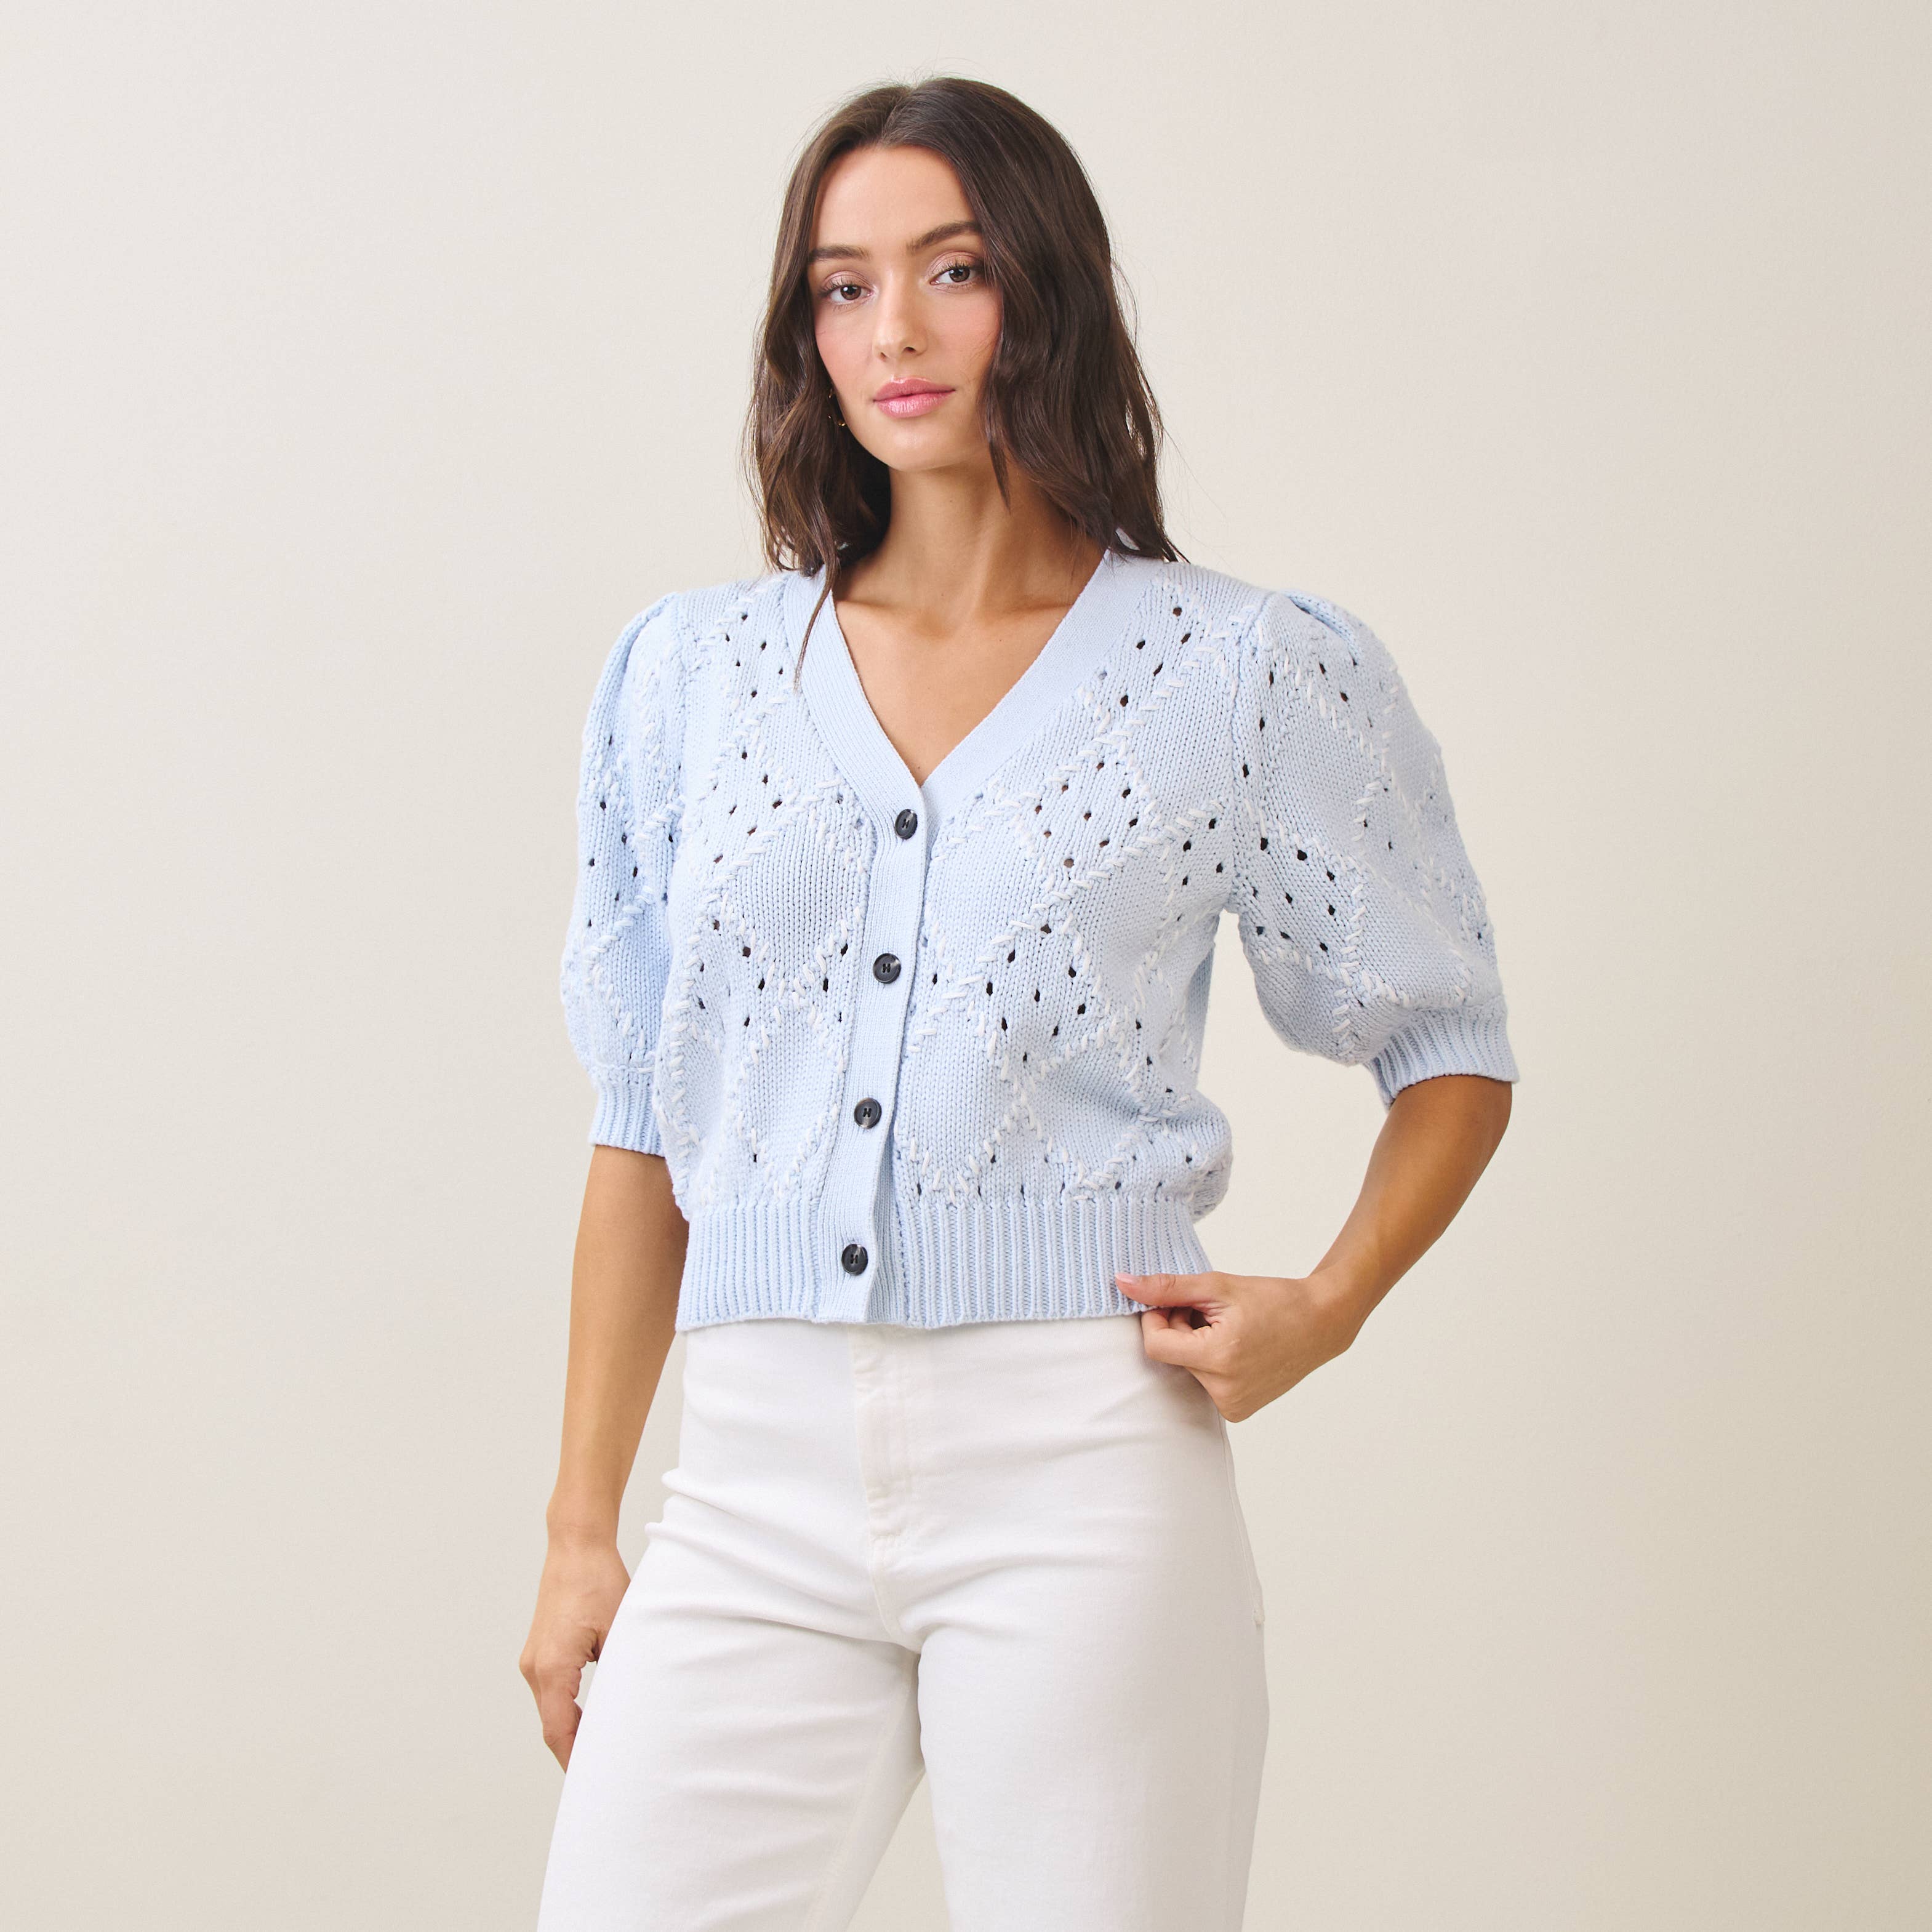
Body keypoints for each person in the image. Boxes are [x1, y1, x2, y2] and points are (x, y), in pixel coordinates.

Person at [520, 74, 1518, 1932]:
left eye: (952, 269)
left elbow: (1446, 1041)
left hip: (1081, 1472)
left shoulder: (1238, 668)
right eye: (842, 286)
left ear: (1042, 290)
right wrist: (586, 1527)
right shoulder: (691, 679)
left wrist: (1327, 1307)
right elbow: (642, 1120)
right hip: (747, 1483)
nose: (892, 331)